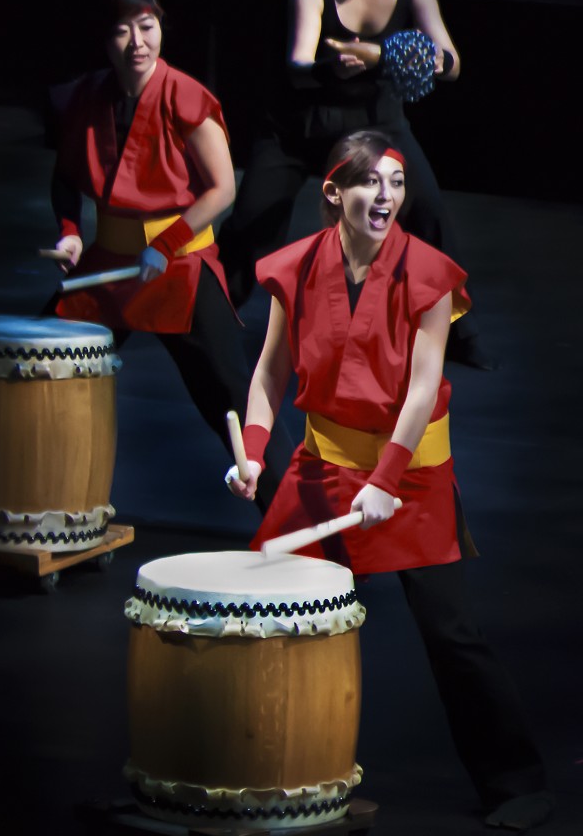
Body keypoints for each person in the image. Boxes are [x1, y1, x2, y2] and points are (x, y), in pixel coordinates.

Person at [225, 130, 552, 830]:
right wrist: (254, 451)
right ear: (334, 192)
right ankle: (257, 765)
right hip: (323, 465)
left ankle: (517, 781)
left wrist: (388, 479)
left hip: (411, 475)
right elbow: (270, 372)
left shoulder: (430, 274)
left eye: (396, 183)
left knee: (450, 630)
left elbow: (423, 385)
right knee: (263, 606)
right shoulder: (299, 265)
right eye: (371, 181)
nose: (386, 196)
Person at [218, 0, 493, 370]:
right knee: (254, 219)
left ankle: (458, 328)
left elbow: (451, 62)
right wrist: (338, 66)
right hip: (300, 124)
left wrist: (389, 55)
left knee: (427, 211)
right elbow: (299, 64)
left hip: (376, 123)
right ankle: (211, 312)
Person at [45, 0, 292, 514]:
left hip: (177, 265)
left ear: (161, 28)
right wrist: (68, 234)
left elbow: (223, 187)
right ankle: (39, 498)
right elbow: (65, 178)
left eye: (147, 26)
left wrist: (169, 241)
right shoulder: (86, 97)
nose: (137, 43)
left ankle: (307, 528)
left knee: (230, 396)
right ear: (103, 38)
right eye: (122, 31)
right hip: (110, 266)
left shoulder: (184, 95)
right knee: (43, 364)